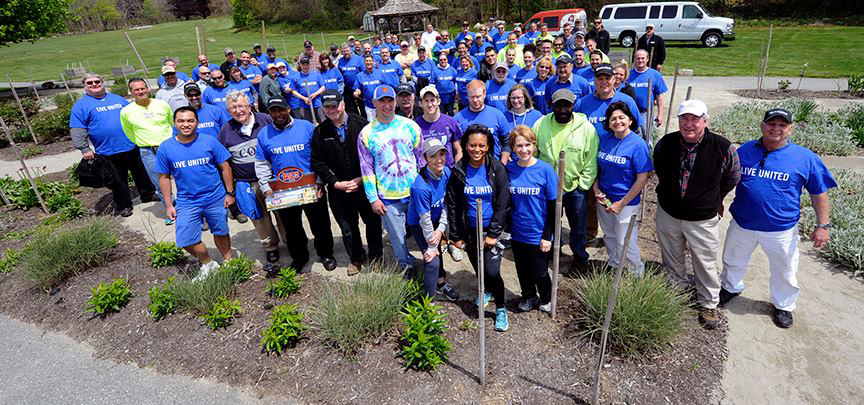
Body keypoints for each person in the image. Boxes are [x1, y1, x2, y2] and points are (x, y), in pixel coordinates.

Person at [720, 108, 836, 329]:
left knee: (785, 269)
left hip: (780, 229)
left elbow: (819, 192)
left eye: (782, 125)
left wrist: (823, 225)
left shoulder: (805, 158)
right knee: (732, 260)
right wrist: (718, 200)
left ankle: (783, 305)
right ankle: (730, 287)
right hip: (743, 223)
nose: (776, 128)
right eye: (771, 123)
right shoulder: (745, 151)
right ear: (762, 126)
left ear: (790, 129)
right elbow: (729, 178)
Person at [653, 99, 740, 329]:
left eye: (694, 119)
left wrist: (715, 198)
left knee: (705, 262)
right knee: (671, 256)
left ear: (705, 121)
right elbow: (660, 170)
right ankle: (677, 290)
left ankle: (708, 303)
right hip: (669, 213)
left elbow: (732, 177)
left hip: (702, 219)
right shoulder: (666, 143)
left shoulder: (723, 148)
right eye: (684, 119)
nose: (689, 124)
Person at [255, 98, 337, 272]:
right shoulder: (264, 134)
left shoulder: (306, 127)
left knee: (320, 224)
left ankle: (326, 254)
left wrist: (320, 181)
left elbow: (320, 156)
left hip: (311, 187)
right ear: (269, 113)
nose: (278, 114)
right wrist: (266, 187)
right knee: (292, 229)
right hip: (283, 192)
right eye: (273, 111)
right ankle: (300, 257)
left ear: (288, 109)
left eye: (281, 110)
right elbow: (262, 164)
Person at [155, 106, 235, 280]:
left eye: (190, 120)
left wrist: (229, 192)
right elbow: (164, 177)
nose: (186, 124)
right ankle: (208, 263)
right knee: (185, 239)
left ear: (197, 122)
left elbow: (225, 166)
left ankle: (229, 261)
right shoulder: (166, 148)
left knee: (221, 231)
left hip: (215, 197)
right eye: (181, 121)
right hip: (187, 201)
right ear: (174, 123)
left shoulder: (209, 141)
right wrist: (169, 204)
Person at [446, 124, 511, 331]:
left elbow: (503, 203)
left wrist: (493, 234)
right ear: (465, 145)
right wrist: (456, 235)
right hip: (470, 232)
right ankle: (487, 292)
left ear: (488, 146)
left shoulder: (496, 168)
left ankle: (501, 308)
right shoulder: (458, 170)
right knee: (479, 269)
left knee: (492, 272)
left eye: (482, 145)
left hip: (492, 231)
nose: (477, 150)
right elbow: (453, 205)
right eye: (472, 145)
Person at [311, 90, 383, 276]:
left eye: (334, 105)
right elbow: (318, 162)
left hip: (364, 186)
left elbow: (374, 154)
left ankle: (375, 257)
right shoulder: (320, 132)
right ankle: (356, 258)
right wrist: (335, 183)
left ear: (342, 104)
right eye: (327, 107)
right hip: (339, 191)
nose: (331, 110)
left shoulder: (361, 124)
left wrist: (363, 179)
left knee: (372, 224)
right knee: (348, 228)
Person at [70, 73, 156, 217]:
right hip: (107, 150)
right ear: (84, 86)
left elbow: (133, 117)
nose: (94, 85)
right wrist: (84, 148)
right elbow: (78, 128)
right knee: (118, 180)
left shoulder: (118, 99)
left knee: (141, 173)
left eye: (97, 81)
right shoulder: (81, 106)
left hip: (131, 145)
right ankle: (124, 205)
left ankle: (148, 194)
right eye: (89, 83)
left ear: (102, 83)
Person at [357, 85, 423, 271]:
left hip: (414, 192)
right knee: (398, 238)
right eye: (382, 101)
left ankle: (432, 266)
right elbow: (367, 169)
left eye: (390, 100)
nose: (386, 105)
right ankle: (406, 267)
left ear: (395, 102)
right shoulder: (367, 134)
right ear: (374, 103)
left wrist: (426, 188)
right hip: (388, 197)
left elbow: (422, 160)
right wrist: (373, 198)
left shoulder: (411, 127)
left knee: (424, 231)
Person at [532, 89, 598, 273]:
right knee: (550, 222)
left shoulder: (586, 128)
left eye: (566, 105)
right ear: (551, 105)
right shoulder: (541, 124)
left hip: (575, 186)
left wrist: (583, 184)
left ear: (572, 106)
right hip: (548, 187)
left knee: (578, 225)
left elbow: (591, 160)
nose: (562, 109)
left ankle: (579, 257)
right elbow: (534, 153)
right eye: (558, 105)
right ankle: (553, 250)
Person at [217, 92, 282, 262]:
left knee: (283, 214)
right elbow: (224, 162)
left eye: (241, 106)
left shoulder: (266, 120)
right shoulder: (225, 131)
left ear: (249, 106)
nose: (238, 111)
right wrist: (229, 191)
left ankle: (291, 241)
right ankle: (271, 247)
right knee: (260, 219)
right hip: (248, 183)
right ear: (228, 111)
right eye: (233, 108)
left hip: (273, 179)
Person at [593, 102, 652, 275]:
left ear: (631, 120)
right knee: (609, 236)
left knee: (625, 241)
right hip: (604, 199)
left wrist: (621, 203)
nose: (617, 122)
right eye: (613, 119)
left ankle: (636, 274)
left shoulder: (638, 145)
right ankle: (614, 264)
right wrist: (595, 189)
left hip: (626, 202)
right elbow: (597, 167)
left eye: (621, 117)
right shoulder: (604, 139)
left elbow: (642, 178)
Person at [506, 125, 557, 313]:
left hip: (538, 232)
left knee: (540, 271)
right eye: (519, 146)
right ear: (513, 148)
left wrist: (548, 235)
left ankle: (546, 297)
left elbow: (553, 206)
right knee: (522, 269)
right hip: (518, 231)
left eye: (527, 145)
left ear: (534, 145)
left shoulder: (545, 170)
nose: (524, 150)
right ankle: (528, 296)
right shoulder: (509, 169)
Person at [408, 138, 459, 300]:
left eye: (442, 154)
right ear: (425, 158)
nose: (439, 159)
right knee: (433, 260)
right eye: (433, 156)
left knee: (438, 253)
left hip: (437, 219)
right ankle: (427, 302)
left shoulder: (446, 172)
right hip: (420, 224)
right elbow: (424, 219)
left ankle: (441, 283)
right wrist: (431, 243)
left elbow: (446, 203)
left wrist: (441, 229)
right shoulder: (420, 186)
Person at [120, 78, 174, 223]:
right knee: (158, 182)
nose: (140, 92)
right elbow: (129, 132)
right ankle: (171, 208)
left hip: (168, 147)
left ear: (148, 88)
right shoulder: (126, 112)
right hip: (147, 151)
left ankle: (188, 207)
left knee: (182, 176)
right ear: (130, 92)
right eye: (136, 90)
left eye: (142, 88)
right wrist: (144, 142)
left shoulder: (162, 105)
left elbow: (171, 122)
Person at [454, 80, 512, 162]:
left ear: (484, 94)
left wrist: (502, 164)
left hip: (493, 166)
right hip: (468, 168)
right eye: (472, 97)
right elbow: (456, 147)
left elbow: (507, 142)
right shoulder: (458, 118)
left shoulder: (497, 115)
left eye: (478, 96)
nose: (475, 100)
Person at [415, 85, 463, 167]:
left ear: (438, 101)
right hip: (426, 174)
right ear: (420, 103)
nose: (430, 104)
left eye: (432, 100)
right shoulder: (415, 125)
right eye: (426, 101)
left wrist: (457, 170)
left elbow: (459, 150)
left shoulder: (451, 122)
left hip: (448, 171)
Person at [628, 50, 668, 136]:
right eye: (638, 58)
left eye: (643, 58)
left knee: (646, 138)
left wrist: (660, 114)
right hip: (629, 113)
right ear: (634, 59)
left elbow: (659, 95)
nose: (640, 60)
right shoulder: (628, 74)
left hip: (645, 113)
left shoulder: (655, 74)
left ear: (647, 59)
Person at [290, 56, 325, 123]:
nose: (305, 66)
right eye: (303, 64)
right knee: (307, 124)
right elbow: (293, 91)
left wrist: (315, 94)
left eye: (307, 64)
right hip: (304, 106)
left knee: (323, 123)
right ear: (300, 65)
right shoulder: (295, 77)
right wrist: (304, 98)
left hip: (317, 104)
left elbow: (323, 87)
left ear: (309, 64)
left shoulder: (316, 74)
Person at [353, 54, 385, 120]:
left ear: (373, 62)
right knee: (371, 124)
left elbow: (385, 87)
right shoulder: (360, 75)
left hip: (381, 103)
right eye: (367, 61)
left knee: (383, 121)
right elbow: (357, 88)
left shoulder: (380, 73)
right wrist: (356, 92)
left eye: (370, 61)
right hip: (368, 105)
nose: (368, 62)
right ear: (364, 62)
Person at [337, 43, 365, 117]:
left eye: (347, 50)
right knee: (351, 108)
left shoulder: (358, 59)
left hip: (358, 87)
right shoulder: (341, 61)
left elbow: (363, 73)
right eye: (344, 51)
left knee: (362, 106)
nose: (346, 53)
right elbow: (340, 74)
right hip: (347, 88)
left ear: (350, 50)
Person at [429, 50, 457, 115]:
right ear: (439, 61)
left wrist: (457, 92)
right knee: (441, 113)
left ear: (447, 60)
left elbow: (456, 82)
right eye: (441, 60)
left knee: (450, 112)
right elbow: (432, 83)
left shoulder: (452, 69)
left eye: (444, 59)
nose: (443, 61)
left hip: (451, 96)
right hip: (440, 96)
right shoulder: (435, 70)